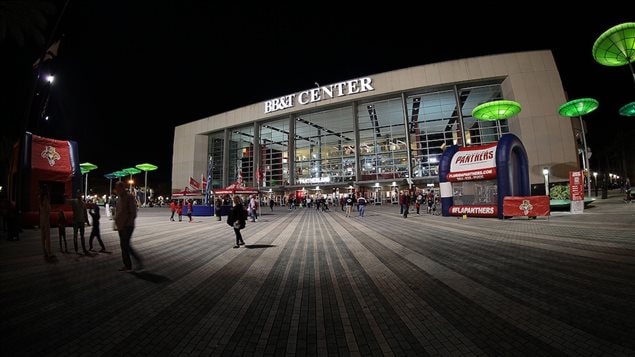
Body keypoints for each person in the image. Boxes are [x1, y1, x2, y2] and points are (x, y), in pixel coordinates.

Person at [114, 181, 143, 272]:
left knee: (125, 244)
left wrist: (128, 223)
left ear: (122, 188)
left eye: (118, 188)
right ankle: (127, 265)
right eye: (116, 188)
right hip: (120, 226)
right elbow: (118, 212)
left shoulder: (129, 197)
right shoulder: (119, 198)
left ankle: (136, 261)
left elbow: (133, 212)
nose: (116, 189)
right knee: (123, 245)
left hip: (127, 226)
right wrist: (116, 222)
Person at [39, 185, 53, 259]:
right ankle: (49, 252)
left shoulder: (40, 198)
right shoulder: (46, 199)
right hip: (46, 219)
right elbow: (48, 209)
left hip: (41, 219)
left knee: (43, 236)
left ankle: (44, 251)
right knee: (47, 236)